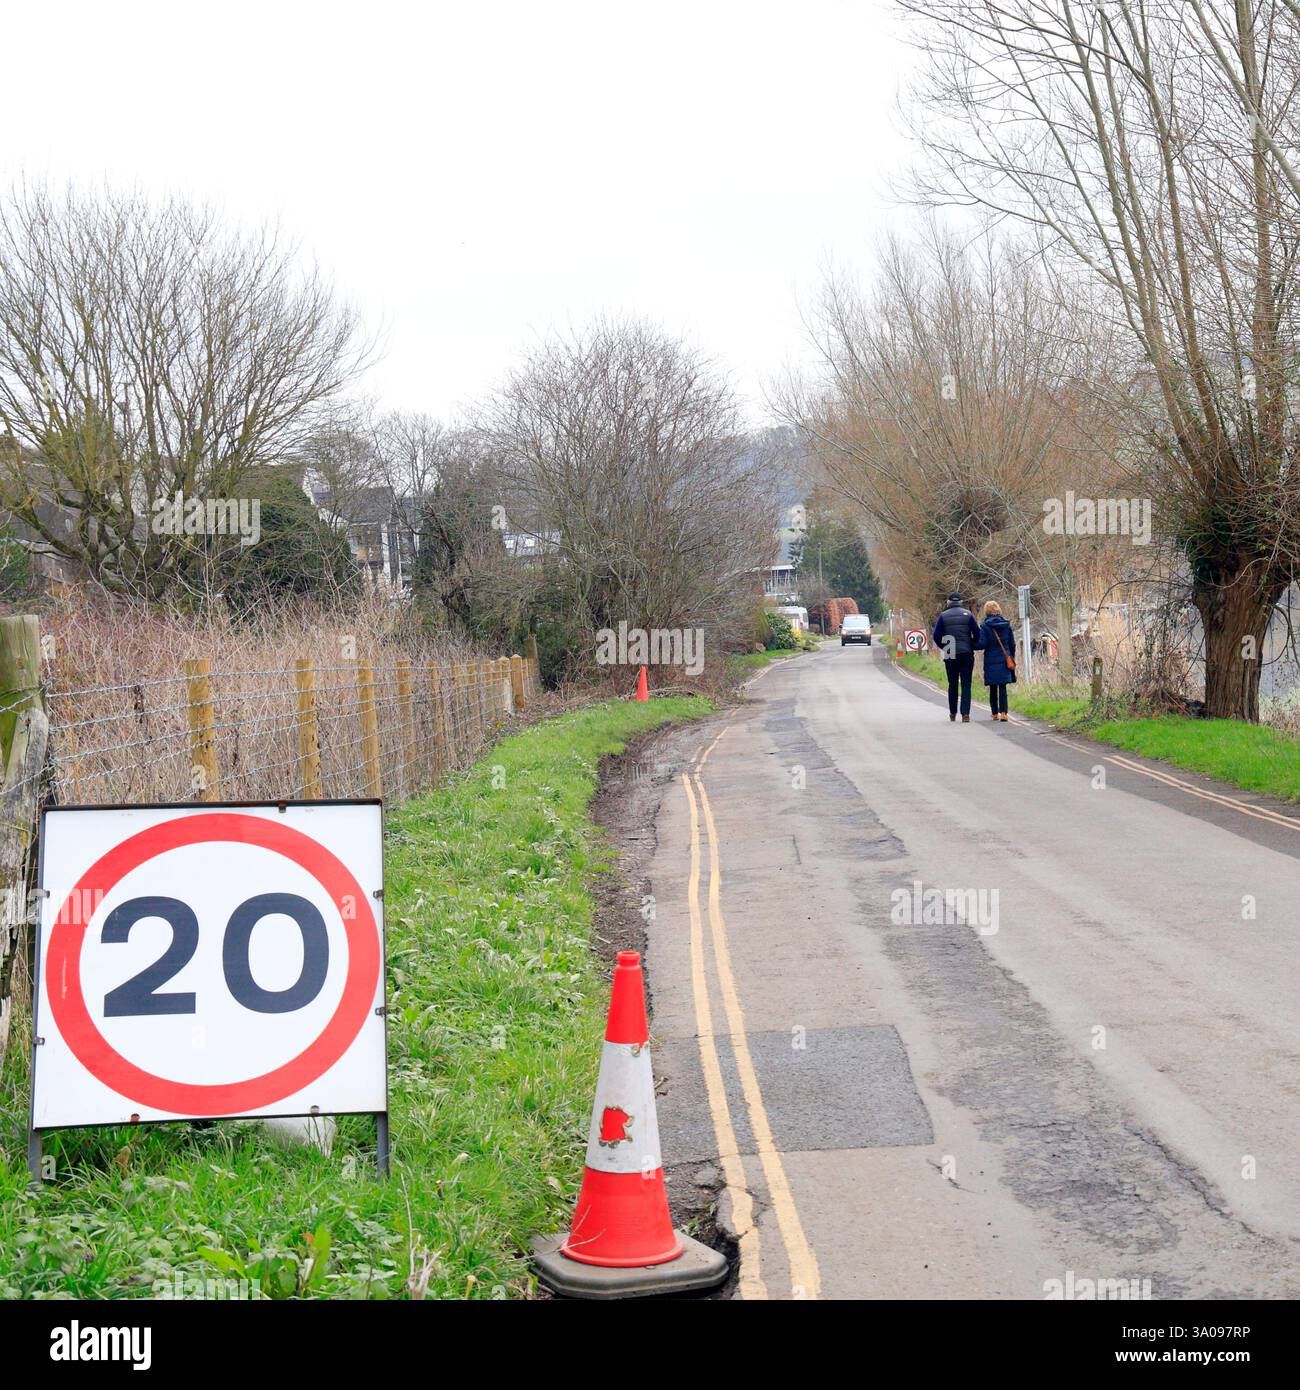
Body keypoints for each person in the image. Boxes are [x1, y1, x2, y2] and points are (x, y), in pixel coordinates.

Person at [932, 591, 982, 722]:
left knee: (952, 684)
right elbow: (977, 633)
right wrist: (971, 643)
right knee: (966, 684)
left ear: (948, 602)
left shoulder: (943, 616)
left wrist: (945, 646)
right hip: (966, 653)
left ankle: (952, 713)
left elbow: (936, 636)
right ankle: (965, 714)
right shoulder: (968, 615)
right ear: (960, 602)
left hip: (950, 653)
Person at [979, 600, 1017, 721]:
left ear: (986, 611)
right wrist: (1011, 657)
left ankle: (995, 713)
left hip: (991, 659)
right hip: (1004, 659)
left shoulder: (985, 626)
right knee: (1003, 687)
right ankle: (1004, 713)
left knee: (993, 687)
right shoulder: (1006, 625)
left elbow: (982, 643)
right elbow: (1012, 644)